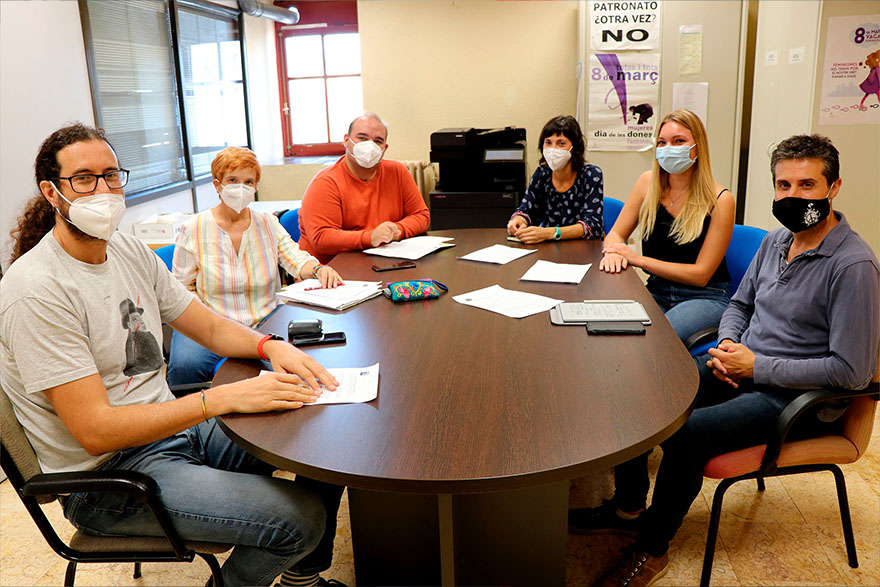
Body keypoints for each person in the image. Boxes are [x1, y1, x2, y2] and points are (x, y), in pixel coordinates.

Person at [1, 124, 346, 587]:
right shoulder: (36, 291)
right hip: (111, 480)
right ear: (52, 191)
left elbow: (204, 324)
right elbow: (95, 431)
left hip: (172, 433)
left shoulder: (125, 250)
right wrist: (220, 400)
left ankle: (300, 580)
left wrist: (271, 345)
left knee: (321, 432)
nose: (103, 189)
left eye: (110, 175)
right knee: (299, 520)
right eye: (83, 178)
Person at [570, 134, 880, 587]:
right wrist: (730, 343)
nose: (793, 196)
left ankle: (651, 548)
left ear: (833, 189)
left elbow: (851, 373)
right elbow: (738, 304)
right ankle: (628, 506)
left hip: (797, 400)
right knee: (641, 392)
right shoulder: (777, 241)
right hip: (744, 369)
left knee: (687, 435)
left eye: (807, 185)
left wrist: (755, 366)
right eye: (783, 185)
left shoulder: (852, 266)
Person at [167, 146, 343, 387]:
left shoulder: (267, 223)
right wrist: (207, 321)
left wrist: (318, 269)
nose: (241, 188)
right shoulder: (193, 228)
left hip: (264, 319)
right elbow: (181, 288)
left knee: (287, 372)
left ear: (256, 187)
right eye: (232, 180)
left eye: (248, 181)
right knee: (185, 370)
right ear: (217, 185)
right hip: (211, 321)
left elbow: (296, 259)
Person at [600, 109, 735, 342]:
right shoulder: (647, 183)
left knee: (655, 341)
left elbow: (701, 275)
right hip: (657, 290)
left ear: (698, 147)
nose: (668, 148)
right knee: (615, 333)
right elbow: (615, 234)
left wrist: (638, 260)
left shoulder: (721, 199)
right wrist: (614, 252)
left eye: (679, 141)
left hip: (704, 296)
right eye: (662, 142)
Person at [297, 113, 431, 264]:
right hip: (328, 271)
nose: (370, 145)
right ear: (347, 141)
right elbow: (321, 238)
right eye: (362, 138)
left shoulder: (398, 172)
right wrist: (370, 237)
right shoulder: (326, 182)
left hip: (378, 263)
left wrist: (396, 230)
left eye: (378, 141)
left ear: (384, 148)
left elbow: (421, 215)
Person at [506, 115, 604, 243]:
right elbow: (527, 209)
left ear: (575, 148)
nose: (553, 149)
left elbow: (593, 225)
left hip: (583, 249)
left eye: (561, 143)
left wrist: (551, 233)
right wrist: (518, 220)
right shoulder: (542, 174)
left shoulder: (591, 175)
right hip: (548, 248)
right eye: (548, 143)